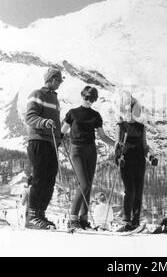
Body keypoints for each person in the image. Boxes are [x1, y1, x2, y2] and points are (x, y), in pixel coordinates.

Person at [61, 86, 115, 230]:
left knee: (88, 185)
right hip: (77, 150)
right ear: (82, 95)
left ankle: (83, 219)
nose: (88, 101)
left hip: (91, 150)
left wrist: (116, 144)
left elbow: (102, 136)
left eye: (92, 99)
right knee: (83, 184)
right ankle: (73, 219)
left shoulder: (95, 115)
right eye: (86, 97)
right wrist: (57, 140)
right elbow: (62, 131)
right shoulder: (72, 113)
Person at [25, 67, 63, 229]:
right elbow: (30, 117)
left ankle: (40, 214)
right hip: (38, 141)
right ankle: (32, 216)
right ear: (51, 79)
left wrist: (60, 136)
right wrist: (44, 122)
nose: (60, 83)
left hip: (51, 142)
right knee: (39, 178)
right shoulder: (37, 94)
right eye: (58, 79)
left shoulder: (54, 99)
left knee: (49, 179)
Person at [115, 96, 156, 232]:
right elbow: (117, 145)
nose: (139, 110)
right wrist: (118, 156)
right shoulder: (121, 126)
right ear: (129, 109)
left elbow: (145, 146)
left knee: (138, 192)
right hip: (126, 162)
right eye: (137, 108)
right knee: (130, 191)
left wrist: (151, 157)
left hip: (139, 162)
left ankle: (135, 221)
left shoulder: (141, 127)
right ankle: (126, 219)